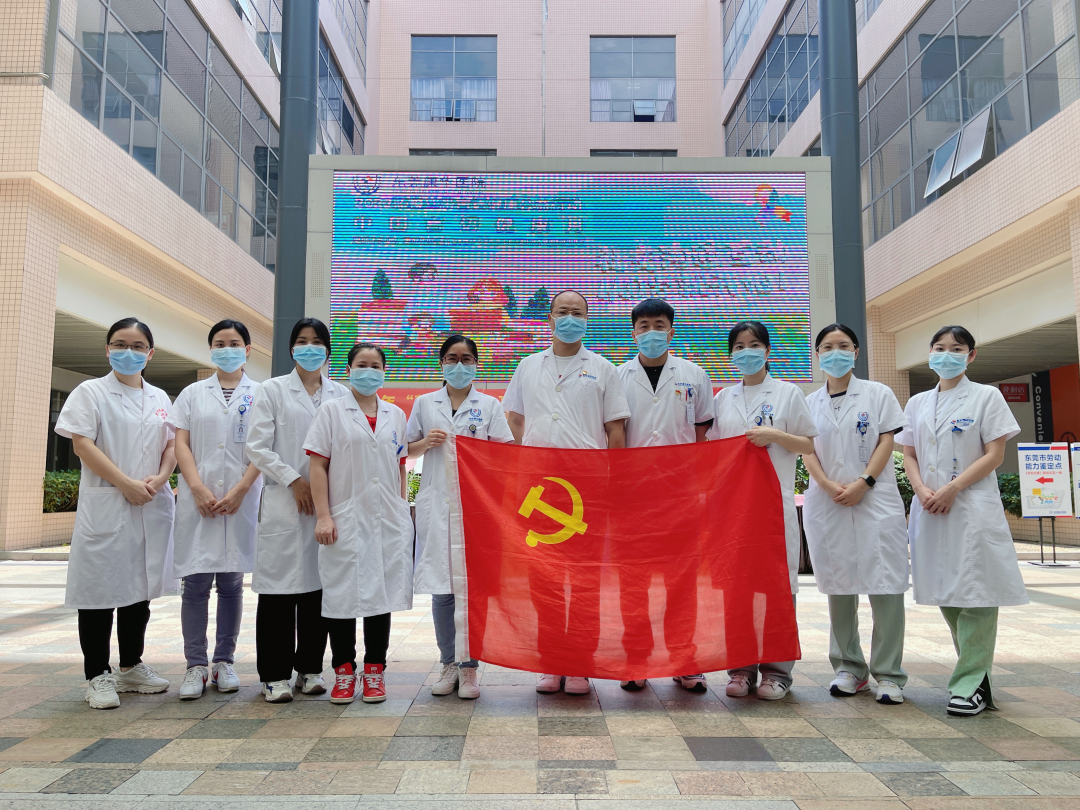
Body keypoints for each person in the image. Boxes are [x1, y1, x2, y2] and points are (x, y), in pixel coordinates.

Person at [503, 289, 631, 695]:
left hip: (587, 485)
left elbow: (615, 430)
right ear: (550, 318)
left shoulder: (604, 368)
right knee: (543, 577)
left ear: (587, 320)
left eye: (578, 312)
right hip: (540, 487)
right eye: (563, 311)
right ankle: (551, 660)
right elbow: (514, 419)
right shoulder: (527, 365)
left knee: (585, 576)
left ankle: (580, 663)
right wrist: (525, 462)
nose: (570, 318)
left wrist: (614, 482)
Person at [900, 325, 1027, 717]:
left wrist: (953, 488)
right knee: (947, 592)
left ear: (971, 355)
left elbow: (994, 455)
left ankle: (968, 684)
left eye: (956, 349)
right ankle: (978, 678)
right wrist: (921, 489)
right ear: (930, 353)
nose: (947, 355)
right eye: (939, 348)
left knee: (977, 594)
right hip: (930, 507)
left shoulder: (986, 397)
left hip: (971, 506)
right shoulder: (918, 403)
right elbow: (909, 454)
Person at [55, 317, 175, 709]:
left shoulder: (160, 398)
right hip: (108, 500)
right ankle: (97, 674)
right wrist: (125, 483)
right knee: (98, 591)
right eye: (120, 344)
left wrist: (161, 477)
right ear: (107, 349)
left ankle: (131, 666)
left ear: (150, 353)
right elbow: (82, 445)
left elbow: (172, 445)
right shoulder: (90, 392)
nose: (129, 352)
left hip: (150, 502)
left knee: (139, 588)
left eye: (138, 346)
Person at [707, 320, 817, 701]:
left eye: (753, 345)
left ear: (768, 351)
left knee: (777, 587)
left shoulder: (788, 393)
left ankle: (777, 671)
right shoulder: (723, 399)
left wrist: (775, 436)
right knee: (735, 588)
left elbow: (808, 444)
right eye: (738, 346)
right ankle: (740, 668)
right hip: (733, 509)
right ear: (731, 355)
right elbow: (714, 452)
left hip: (772, 508)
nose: (746, 352)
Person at [801, 323, 909, 705]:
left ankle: (889, 674)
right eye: (828, 347)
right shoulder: (809, 402)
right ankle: (849, 668)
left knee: (886, 586)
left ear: (856, 352)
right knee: (839, 586)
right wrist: (827, 485)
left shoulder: (878, 394)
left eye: (844, 345)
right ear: (818, 354)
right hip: (828, 501)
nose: (836, 352)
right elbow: (806, 449)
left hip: (874, 500)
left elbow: (887, 440)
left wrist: (864, 482)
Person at [245, 318, 349, 702]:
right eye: (302, 341)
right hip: (284, 500)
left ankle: (309, 669)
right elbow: (257, 447)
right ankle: (274, 675)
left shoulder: (341, 394)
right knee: (277, 593)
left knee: (318, 591)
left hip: (327, 504)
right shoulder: (272, 390)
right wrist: (294, 480)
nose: (310, 347)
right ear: (291, 349)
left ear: (328, 351)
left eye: (317, 341)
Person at [616, 298, 715, 692]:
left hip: (680, 494)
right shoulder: (618, 376)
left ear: (671, 330)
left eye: (659, 325)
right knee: (633, 581)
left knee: (681, 580)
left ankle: (684, 660)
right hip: (632, 495)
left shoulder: (694, 374)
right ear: (634, 332)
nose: (651, 332)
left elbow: (702, 432)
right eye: (644, 326)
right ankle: (636, 660)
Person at [407, 336, 514, 700]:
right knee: (443, 588)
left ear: (476, 365)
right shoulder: (424, 403)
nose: (459, 365)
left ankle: (470, 668)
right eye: (452, 358)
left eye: (466, 359)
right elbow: (404, 449)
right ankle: (448, 663)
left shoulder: (490, 405)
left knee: (473, 588)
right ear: (441, 363)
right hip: (436, 504)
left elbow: (505, 454)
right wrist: (426, 443)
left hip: (477, 508)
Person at [306, 342, 413, 704]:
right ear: (348, 370)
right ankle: (343, 671)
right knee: (342, 596)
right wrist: (323, 515)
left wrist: (400, 507)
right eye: (361, 365)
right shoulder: (331, 411)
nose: (369, 371)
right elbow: (317, 466)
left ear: (384, 372)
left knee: (380, 595)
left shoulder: (395, 415)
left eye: (375, 366)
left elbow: (399, 465)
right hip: (344, 518)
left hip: (386, 519)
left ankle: (375, 670)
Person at [169, 320, 263, 700]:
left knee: (231, 583)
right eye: (220, 343)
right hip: (199, 500)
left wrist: (241, 490)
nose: (227, 349)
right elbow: (181, 443)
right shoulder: (192, 394)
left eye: (235, 343)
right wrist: (195, 487)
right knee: (194, 585)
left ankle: (224, 661)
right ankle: (195, 665)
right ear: (210, 349)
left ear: (248, 349)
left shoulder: (260, 394)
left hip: (241, 498)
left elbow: (264, 447)